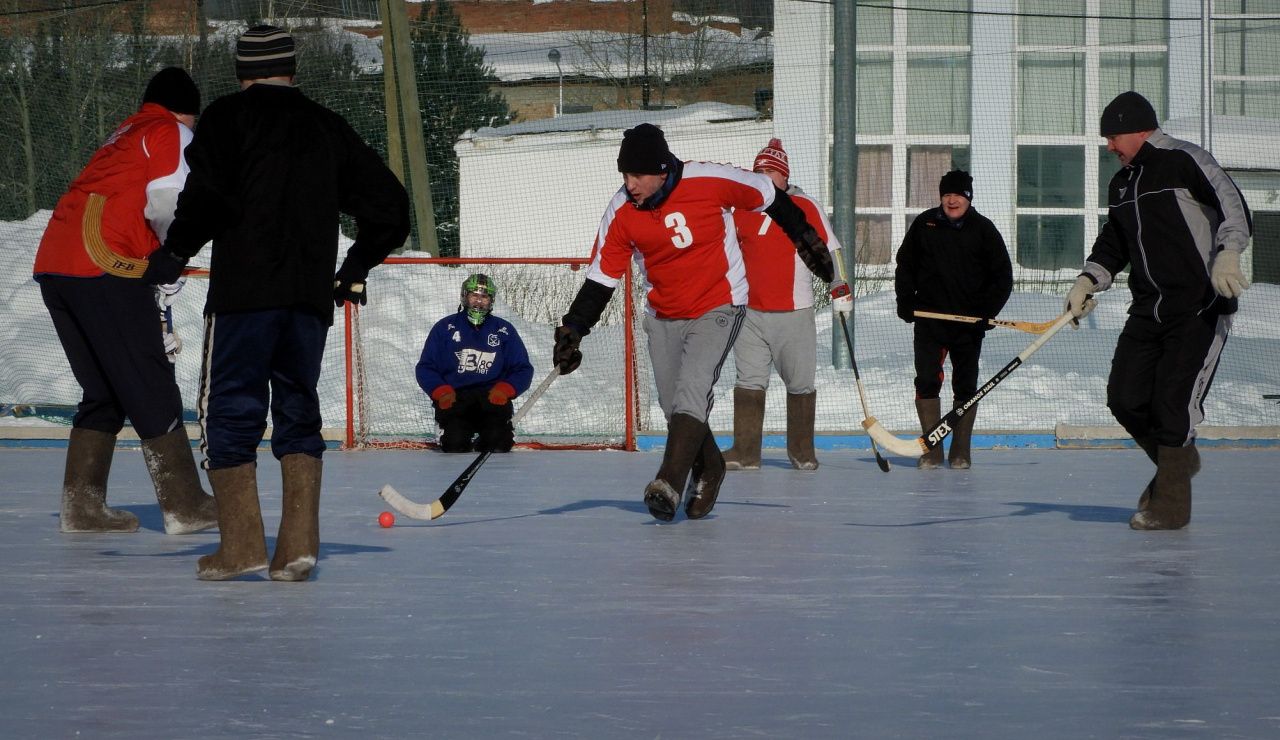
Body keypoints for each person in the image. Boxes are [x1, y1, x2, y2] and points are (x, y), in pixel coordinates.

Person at [141, 26, 410, 580]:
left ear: (242, 71)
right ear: (293, 69)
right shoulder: (326, 126)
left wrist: (174, 251)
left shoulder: (227, 118)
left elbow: (207, 196)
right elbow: (390, 207)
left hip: (244, 296)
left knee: (229, 410)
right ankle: (298, 548)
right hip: (307, 302)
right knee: (297, 406)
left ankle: (240, 547)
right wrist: (354, 265)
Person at [553, 123, 836, 522]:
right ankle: (712, 467)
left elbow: (769, 194)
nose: (629, 184)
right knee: (673, 405)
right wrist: (573, 329)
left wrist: (803, 236)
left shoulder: (709, 179)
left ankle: (668, 482)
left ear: (662, 169)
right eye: (625, 176)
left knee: (692, 390)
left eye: (637, 175)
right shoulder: (621, 212)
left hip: (720, 303)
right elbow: (602, 277)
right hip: (665, 313)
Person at [32, 67, 218, 536]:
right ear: (186, 112)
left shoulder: (125, 132)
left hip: (57, 262)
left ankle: (82, 507)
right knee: (148, 378)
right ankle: (185, 504)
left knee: (105, 389)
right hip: (104, 262)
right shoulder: (170, 130)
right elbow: (169, 200)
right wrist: (172, 256)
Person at [1065, 90, 1251, 531]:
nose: (1109, 147)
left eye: (1113, 137)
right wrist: (1088, 279)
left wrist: (1229, 253)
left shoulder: (1185, 160)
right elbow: (1115, 242)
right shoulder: (1122, 183)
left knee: (1173, 404)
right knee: (1124, 398)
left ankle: (1170, 506)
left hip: (1200, 306)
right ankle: (1178, 462)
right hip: (1148, 308)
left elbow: (1234, 208)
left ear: (1139, 129)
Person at [722, 139, 851, 471]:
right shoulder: (742, 208)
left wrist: (839, 285)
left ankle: (802, 452)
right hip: (749, 313)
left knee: (799, 381)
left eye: (769, 171)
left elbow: (830, 248)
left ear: (783, 176)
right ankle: (746, 451)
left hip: (794, 312)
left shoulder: (805, 205)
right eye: (759, 171)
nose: (763, 177)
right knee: (749, 379)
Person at [895, 169, 1013, 470]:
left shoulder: (984, 229)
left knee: (966, 385)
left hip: (968, 325)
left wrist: (988, 311)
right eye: (947, 194)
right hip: (929, 321)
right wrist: (905, 300)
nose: (951, 200)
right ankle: (931, 449)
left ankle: (961, 451)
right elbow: (905, 265)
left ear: (968, 198)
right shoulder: (925, 224)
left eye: (958, 195)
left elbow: (1002, 277)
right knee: (926, 379)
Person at [416, 273, 534, 453]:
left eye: (484, 297)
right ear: (464, 297)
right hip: (455, 397)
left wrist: (506, 389)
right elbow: (426, 367)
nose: (479, 302)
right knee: (454, 444)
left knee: (498, 444)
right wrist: (441, 391)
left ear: (491, 301)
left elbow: (522, 368)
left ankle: (490, 435)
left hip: (491, 398)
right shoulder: (445, 328)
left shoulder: (504, 330)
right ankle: (450, 431)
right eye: (474, 296)